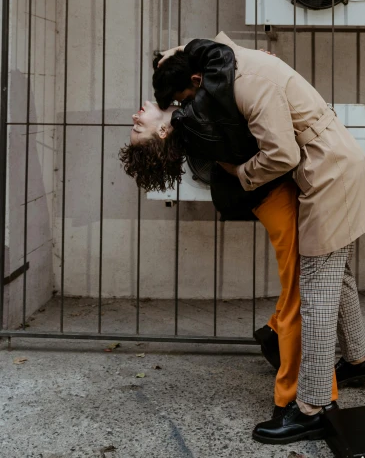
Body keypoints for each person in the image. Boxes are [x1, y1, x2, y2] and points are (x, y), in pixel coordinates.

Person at [155, 34, 365, 445]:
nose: (190, 106)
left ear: (197, 77)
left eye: (187, 96)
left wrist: (238, 173)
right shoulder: (226, 59)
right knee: (340, 275)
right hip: (334, 163)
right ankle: (358, 360)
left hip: (327, 175)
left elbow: (283, 155)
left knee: (315, 295)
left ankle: (312, 409)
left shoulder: (245, 83)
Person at [119, 49, 338, 419]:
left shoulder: (194, 115)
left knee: (300, 289)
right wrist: (238, 61)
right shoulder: (198, 120)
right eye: (139, 126)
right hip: (275, 200)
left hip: (273, 197)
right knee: (301, 295)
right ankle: (299, 397)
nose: (136, 114)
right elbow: (223, 67)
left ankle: (279, 338)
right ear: (161, 131)